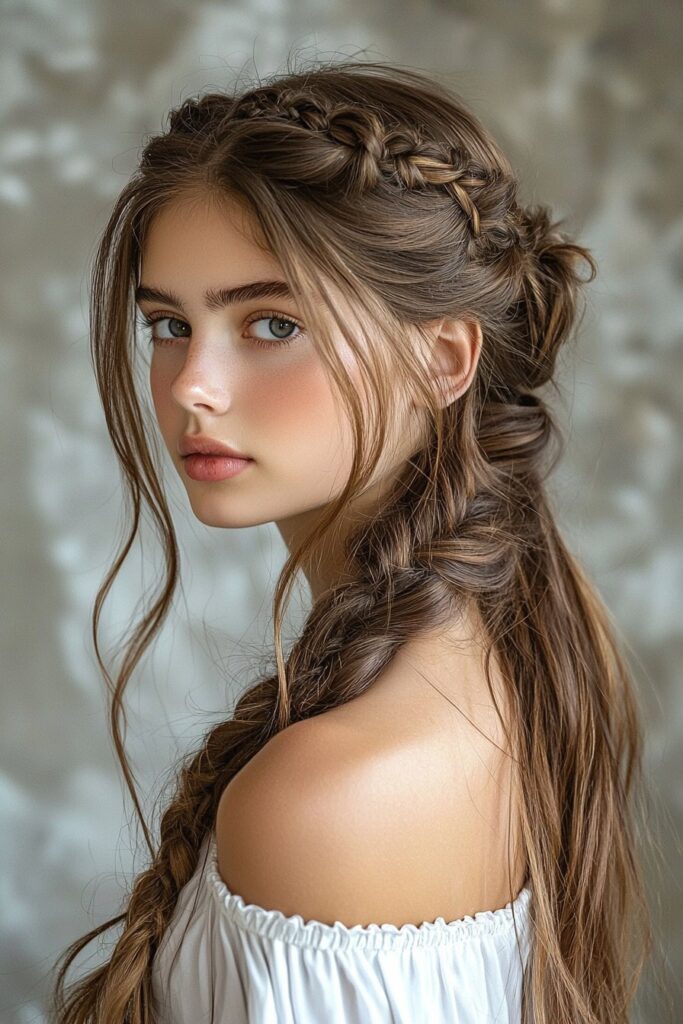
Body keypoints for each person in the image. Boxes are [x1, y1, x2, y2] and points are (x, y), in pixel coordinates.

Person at [49, 58, 653, 1023]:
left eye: (272, 322)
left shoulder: (331, 796)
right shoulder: (495, 654)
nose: (192, 386)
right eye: (168, 323)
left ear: (440, 359)